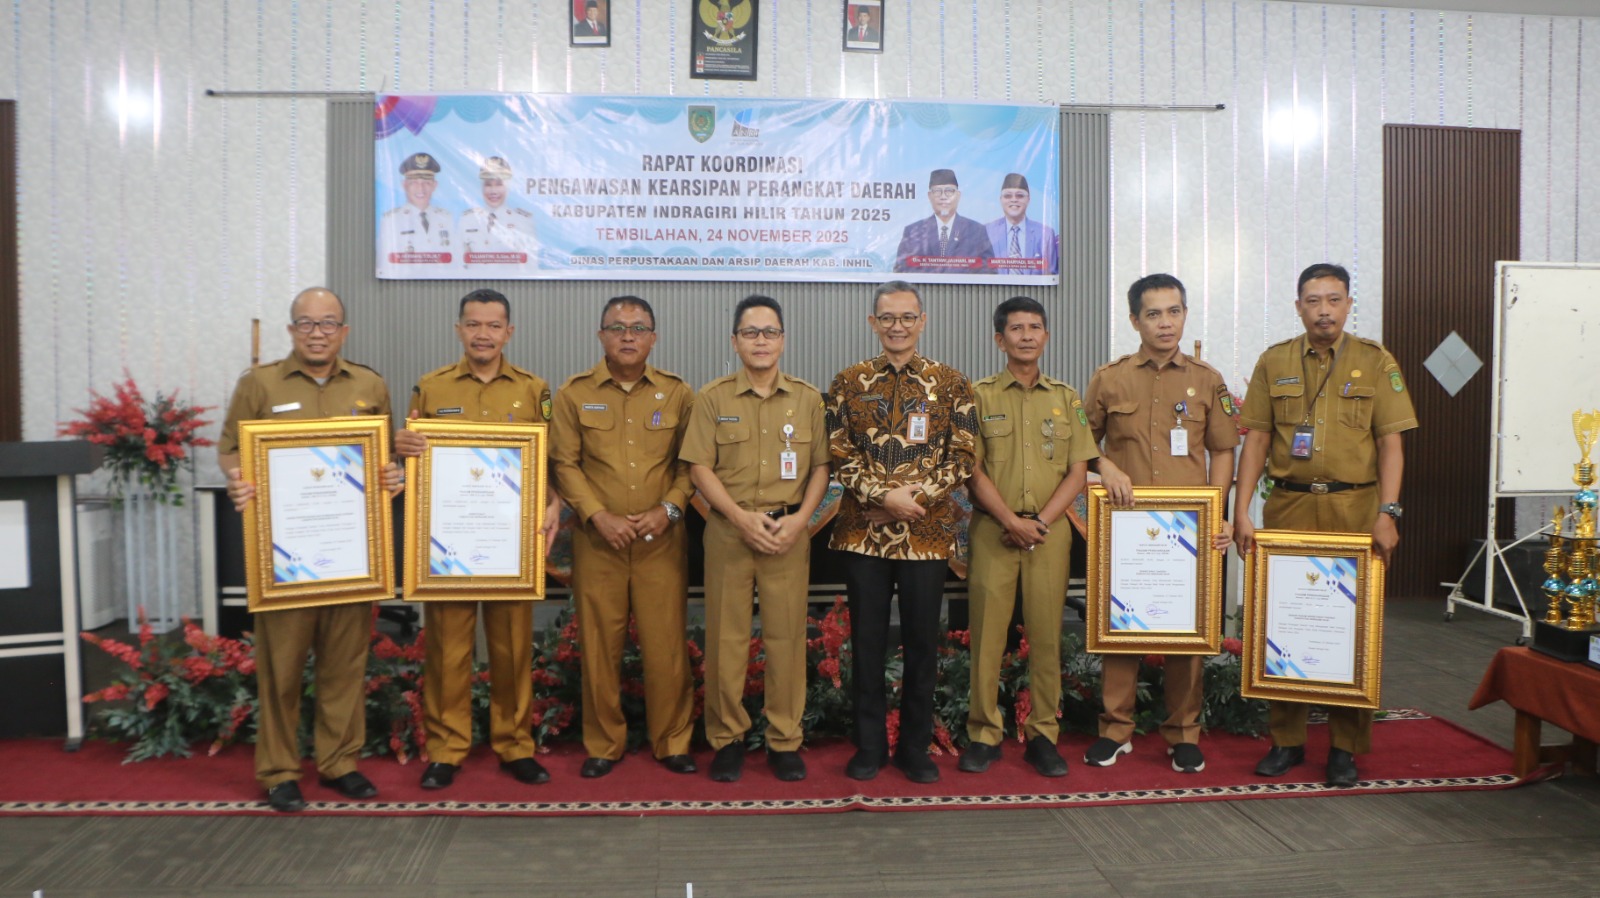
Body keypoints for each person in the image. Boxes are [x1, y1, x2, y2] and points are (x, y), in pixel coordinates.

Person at [217, 287, 403, 813]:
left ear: (344, 331)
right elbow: (229, 448)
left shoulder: (369, 384)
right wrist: (238, 479)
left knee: (344, 666)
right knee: (281, 669)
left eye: (328, 324)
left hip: (350, 553)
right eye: (306, 323)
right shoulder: (259, 384)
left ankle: (340, 762)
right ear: (291, 330)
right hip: (285, 555)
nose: (317, 333)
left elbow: (382, 456)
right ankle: (279, 771)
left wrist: (391, 474)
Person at [1234, 262, 1417, 788]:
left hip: (1354, 510)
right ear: (1298, 307)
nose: (1324, 311)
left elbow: (1390, 444)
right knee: (1283, 622)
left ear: (1348, 305)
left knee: (1352, 625)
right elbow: (1257, 440)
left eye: (1334, 300)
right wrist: (1241, 511)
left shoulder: (1375, 361)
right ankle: (1286, 740)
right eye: (1313, 301)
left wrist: (1388, 512)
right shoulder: (1274, 361)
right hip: (1288, 506)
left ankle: (1345, 747)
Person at [393, 289, 563, 791]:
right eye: (473, 324)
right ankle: (446, 749)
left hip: (512, 542)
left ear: (509, 332)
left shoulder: (533, 390)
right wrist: (402, 446)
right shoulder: (431, 388)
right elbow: (413, 460)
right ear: (458, 330)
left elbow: (548, 459)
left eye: (493, 325)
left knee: (512, 649)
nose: (482, 334)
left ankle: (515, 745)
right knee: (447, 651)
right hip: (450, 544)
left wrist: (555, 502)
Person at [1082, 273, 1240, 774]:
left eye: (1174, 312)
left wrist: (1218, 512)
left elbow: (1222, 450)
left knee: (1186, 634)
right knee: (1121, 628)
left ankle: (1183, 733)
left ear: (1185, 315)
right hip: (1126, 528)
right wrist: (1105, 467)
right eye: (1153, 314)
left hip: (1187, 530)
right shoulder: (1110, 378)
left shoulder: (1207, 379)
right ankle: (1115, 730)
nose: (1165, 323)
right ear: (1135, 320)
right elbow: (1081, 444)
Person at [827, 280, 977, 784]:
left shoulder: (951, 383)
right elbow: (839, 453)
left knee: (921, 645)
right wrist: (882, 497)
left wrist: (913, 500)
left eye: (907, 317)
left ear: (922, 321)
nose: (898, 327)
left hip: (925, 535)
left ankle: (915, 747)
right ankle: (868, 746)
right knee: (867, 643)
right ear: (873, 323)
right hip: (863, 536)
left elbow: (964, 456)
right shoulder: (848, 382)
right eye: (887, 318)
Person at [681, 296, 831, 784]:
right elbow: (699, 467)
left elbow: (822, 467)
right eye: (751, 332)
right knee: (726, 640)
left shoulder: (808, 400)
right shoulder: (712, 398)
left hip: (788, 533)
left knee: (787, 639)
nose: (761, 341)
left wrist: (801, 520)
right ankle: (728, 739)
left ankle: (784, 739)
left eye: (770, 332)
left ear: (783, 340)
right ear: (735, 341)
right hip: (730, 533)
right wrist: (738, 518)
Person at [550, 296, 697, 778]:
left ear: (654, 338)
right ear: (601, 336)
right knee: (598, 647)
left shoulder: (678, 393)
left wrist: (669, 509)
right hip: (599, 543)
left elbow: (691, 464)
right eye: (617, 327)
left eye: (638, 328)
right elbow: (564, 464)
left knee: (666, 646)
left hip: (661, 542)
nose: (627, 335)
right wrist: (596, 515)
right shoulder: (573, 394)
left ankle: (672, 741)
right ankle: (603, 743)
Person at [958, 296, 1096, 779]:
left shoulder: (1067, 398)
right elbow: (970, 470)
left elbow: (1078, 470)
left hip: (1048, 534)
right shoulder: (977, 396)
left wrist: (1039, 522)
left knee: (1046, 636)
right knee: (987, 638)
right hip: (993, 531)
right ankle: (983, 733)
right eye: (1016, 328)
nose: (1026, 335)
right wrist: (1010, 520)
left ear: (1046, 336)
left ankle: (1043, 734)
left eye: (1035, 327)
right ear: (1000, 340)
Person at [893, 169, 996, 275]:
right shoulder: (913, 231)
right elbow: (901, 269)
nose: (943, 197)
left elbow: (989, 270)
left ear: (958, 195)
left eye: (949, 191)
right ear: (930, 196)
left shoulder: (976, 231)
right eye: (937, 191)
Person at [459, 156, 538, 272]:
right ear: (482, 187)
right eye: (488, 185)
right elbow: (459, 264)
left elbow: (530, 266)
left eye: (499, 184)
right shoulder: (467, 219)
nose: (493, 191)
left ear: (508, 186)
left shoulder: (523, 220)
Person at [379, 152, 455, 268]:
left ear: (434, 185)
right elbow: (384, 262)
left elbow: (456, 260)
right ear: (404, 185)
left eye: (426, 183)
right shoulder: (391, 220)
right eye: (414, 183)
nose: (420, 188)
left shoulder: (446, 218)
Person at [984, 174, 1060, 277]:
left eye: (1019, 195)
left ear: (1028, 199)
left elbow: (1050, 274)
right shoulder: (987, 231)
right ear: (1001, 199)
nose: (1014, 200)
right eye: (1008, 196)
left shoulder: (1045, 234)